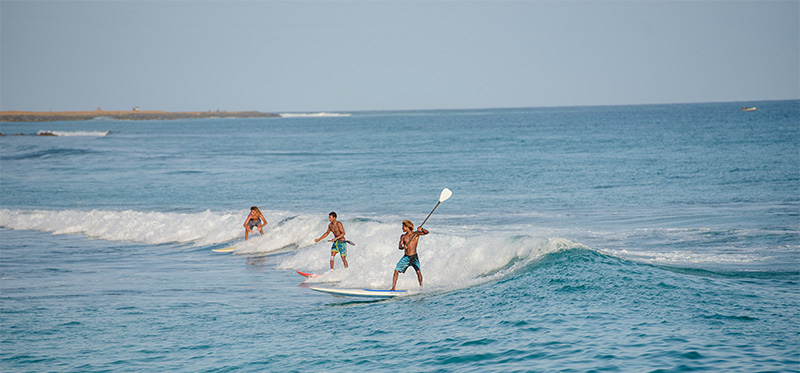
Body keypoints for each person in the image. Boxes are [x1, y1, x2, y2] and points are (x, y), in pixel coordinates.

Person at [391, 219, 428, 290]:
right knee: (396, 271)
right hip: (406, 257)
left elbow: (426, 232)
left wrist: (422, 229)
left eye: (403, 227)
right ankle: (393, 288)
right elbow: (399, 246)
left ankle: (421, 288)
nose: (402, 228)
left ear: (407, 227)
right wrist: (402, 247)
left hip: (414, 257)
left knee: (418, 271)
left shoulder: (416, 234)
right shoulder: (403, 236)